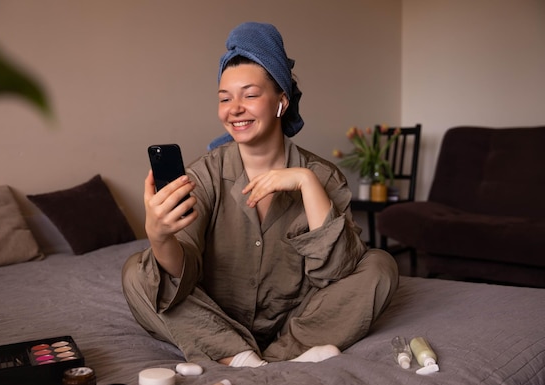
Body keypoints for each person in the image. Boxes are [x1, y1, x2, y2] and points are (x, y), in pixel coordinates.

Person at [122, 22, 398, 367]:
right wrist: (160, 236)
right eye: (224, 99)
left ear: (281, 101)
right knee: (138, 272)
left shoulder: (324, 177)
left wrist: (306, 182)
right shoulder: (204, 175)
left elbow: (337, 275)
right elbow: (183, 271)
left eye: (249, 95)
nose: (234, 108)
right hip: (215, 317)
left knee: (380, 266)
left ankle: (275, 355)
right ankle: (239, 356)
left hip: (299, 319)